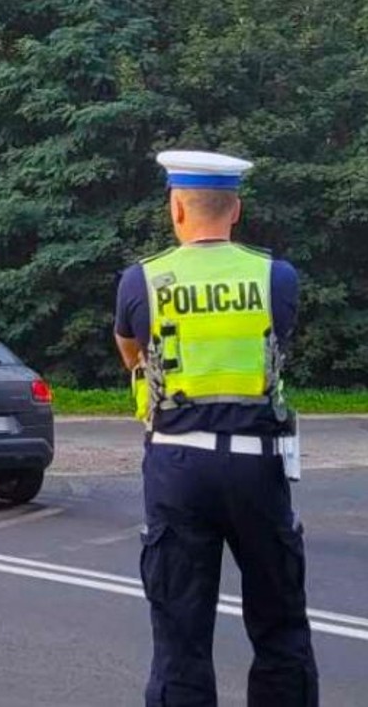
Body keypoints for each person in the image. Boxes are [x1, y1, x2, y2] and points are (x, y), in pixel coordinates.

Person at [115, 150, 317, 707]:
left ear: (177, 208)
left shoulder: (142, 280)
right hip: (258, 463)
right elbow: (279, 339)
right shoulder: (275, 277)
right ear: (237, 210)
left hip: (177, 464)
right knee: (280, 624)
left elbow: (131, 352)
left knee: (180, 633)